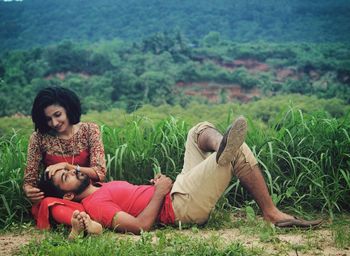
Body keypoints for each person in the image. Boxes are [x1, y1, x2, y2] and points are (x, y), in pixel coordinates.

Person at [40, 116, 322, 235]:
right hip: (179, 207)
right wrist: (160, 192)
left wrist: (154, 187)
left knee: (197, 130)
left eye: (69, 167)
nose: (73, 170)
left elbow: (136, 200)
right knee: (239, 150)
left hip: (177, 191)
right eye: (66, 176)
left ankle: (221, 147)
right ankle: (270, 212)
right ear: (67, 194)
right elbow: (139, 226)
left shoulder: (101, 185)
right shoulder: (94, 205)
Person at [23, 86, 106, 237]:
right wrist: (29, 190)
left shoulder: (90, 130)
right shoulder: (38, 138)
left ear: (68, 109)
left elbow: (99, 173)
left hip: (88, 193)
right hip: (59, 198)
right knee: (50, 204)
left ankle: (86, 222)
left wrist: (68, 166)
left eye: (57, 115)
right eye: (48, 119)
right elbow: (30, 180)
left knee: (110, 192)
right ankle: (82, 224)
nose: (54, 123)